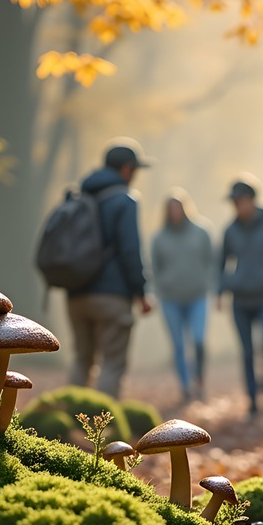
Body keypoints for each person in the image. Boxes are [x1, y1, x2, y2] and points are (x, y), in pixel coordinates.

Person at [66, 139, 152, 398]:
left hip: (76, 294)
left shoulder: (80, 197)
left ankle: (69, 423)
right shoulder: (125, 201)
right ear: (126, 169)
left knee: (82, 360)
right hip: (112, 296)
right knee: (112, 363)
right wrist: (140, 291)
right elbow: (129, 251)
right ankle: (100, 429)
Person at [218, 179, 263, 416]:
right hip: (240, 299)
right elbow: (221, 263)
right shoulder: (230, 231)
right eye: (234, 202)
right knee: (247, 351)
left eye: (239, 200)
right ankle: (252, 400)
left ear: (251, 199)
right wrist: (220, 291)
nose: (237, 205)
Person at [150, 188, 214, 404]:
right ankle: (185, 387)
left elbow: (211, 261)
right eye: (171, 209)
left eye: (178, 208)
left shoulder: (201, 231)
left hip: (197, 296)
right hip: (171, 300)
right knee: (178, 344)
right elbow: (155, 269)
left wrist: (209, 284)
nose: (175, 213)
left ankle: (200, 380)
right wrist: (160, 290)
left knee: (197, 340)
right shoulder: (159, 238)